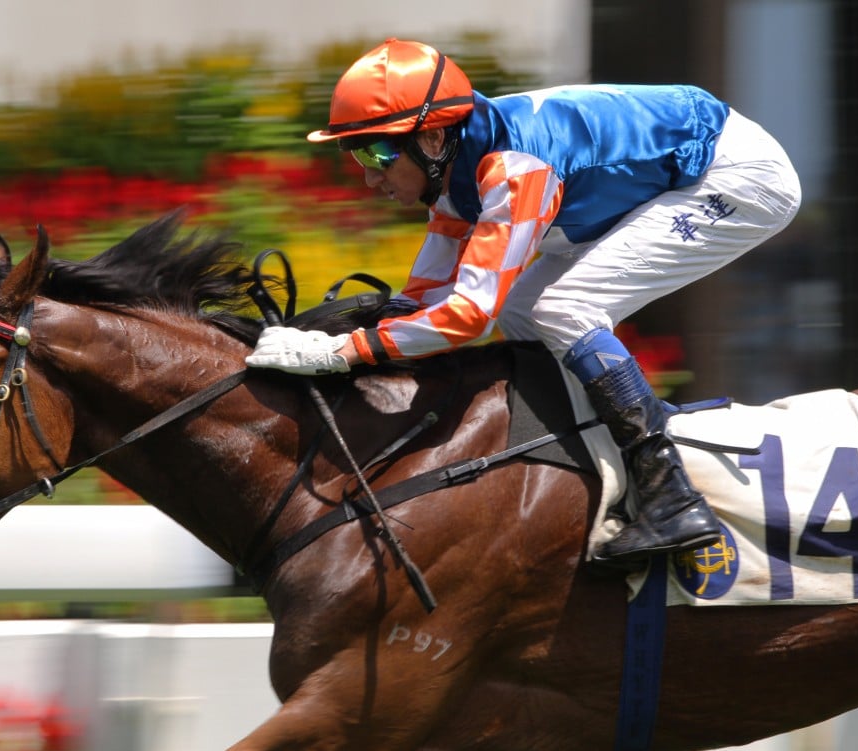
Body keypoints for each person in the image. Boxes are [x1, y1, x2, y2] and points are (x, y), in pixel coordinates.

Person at [245, 38, 802, 565]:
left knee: (564, 310)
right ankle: (582, 471)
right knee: (520, 313)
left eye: (377, 152)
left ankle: (672, 497)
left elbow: (465, 318)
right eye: (354, 153)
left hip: (736, 175)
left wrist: (344, 352)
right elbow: (426, 299)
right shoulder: (455, 171)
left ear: (433, 139)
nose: (368, 178)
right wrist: (331, 337)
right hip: (666, 171)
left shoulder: (512, 170)